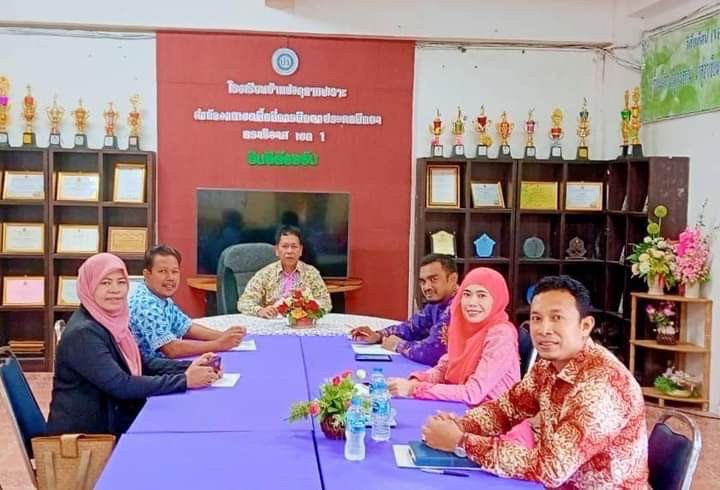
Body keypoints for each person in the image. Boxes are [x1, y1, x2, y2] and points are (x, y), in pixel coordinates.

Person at [420, 275, 648, 488]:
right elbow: (507, 409)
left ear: (585, 326)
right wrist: (461, 425)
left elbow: (551, 468)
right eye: (537, 318)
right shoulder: (550, 365)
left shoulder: (602, 386)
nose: (544, 329)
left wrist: (461, 442)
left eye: (557, 318)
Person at [47, 253, 220, 436]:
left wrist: (189, 367)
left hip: (115, 416)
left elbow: (142, 362)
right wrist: (185, 380)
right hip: (91, 436)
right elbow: (121, 384)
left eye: (121, 282)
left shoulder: (112, 319)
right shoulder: (83, 334)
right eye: (105, 283)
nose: (115, 290)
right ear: (88, 286)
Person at [129, 245, 246, 359]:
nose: (170, 277)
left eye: (174, 271)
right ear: (147, 274)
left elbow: (186, 327)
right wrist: (218, 344)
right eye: (162, 271)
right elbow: (171, 349)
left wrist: (224, 336)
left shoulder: (159, 296)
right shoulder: (144, 304)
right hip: (150, 368)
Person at [350, 253, 458, 365]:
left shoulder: (457, 307)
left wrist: (398, 345)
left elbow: (431, 352)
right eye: (423, 281)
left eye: (434, 279)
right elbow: (411, 328)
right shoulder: (436, 304)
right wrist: (378, 335)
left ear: (452, 279)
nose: (426, 287)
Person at [237, 225, 332, 318]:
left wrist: (307, 308)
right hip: (272, 323)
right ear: (277, 250)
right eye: (285, 246)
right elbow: (244, 302)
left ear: (300, 250)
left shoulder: (311, 273)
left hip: (302, 323)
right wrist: (260, 310)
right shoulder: (265, 274)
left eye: (294, 246)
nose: (289, 251)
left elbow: (326, 302)